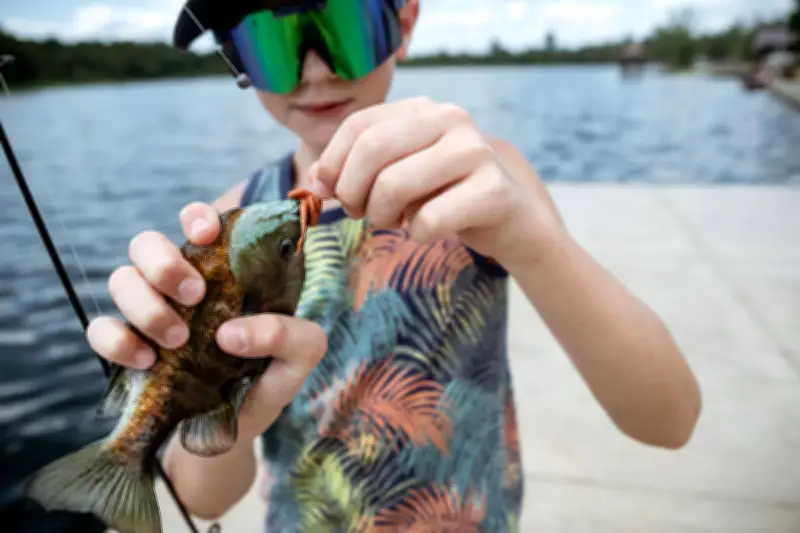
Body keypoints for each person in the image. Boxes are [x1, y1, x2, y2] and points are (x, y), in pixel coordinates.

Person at [86, 0, 703, 530]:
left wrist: (534, 243)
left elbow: (668, 420)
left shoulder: (491, 182)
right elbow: (200, 494)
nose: (316, 71)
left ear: (403, 20)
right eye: (272, 45)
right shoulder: (228, 220)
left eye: (346, 30)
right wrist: (229, 420)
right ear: (237, 62)